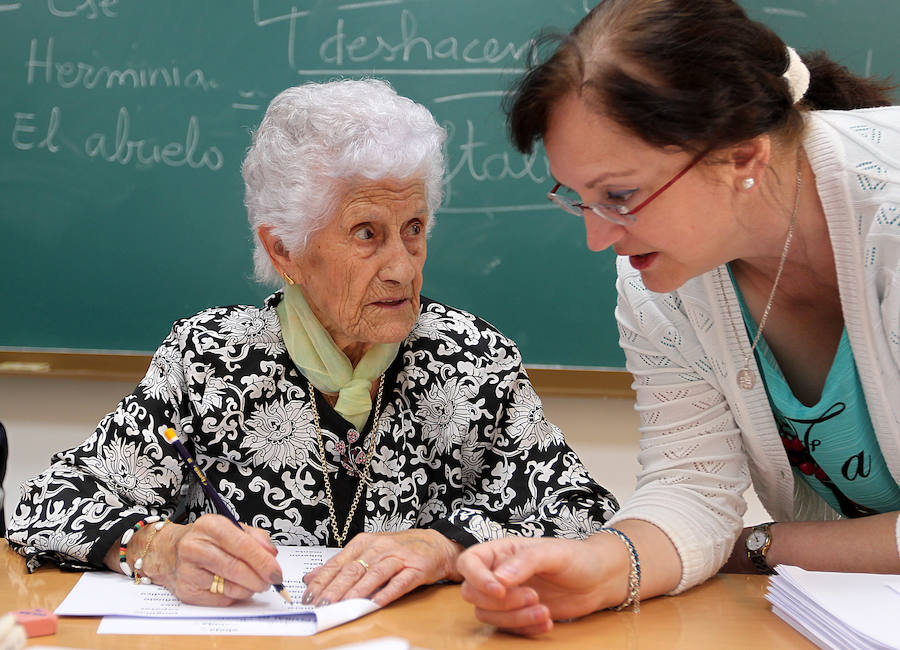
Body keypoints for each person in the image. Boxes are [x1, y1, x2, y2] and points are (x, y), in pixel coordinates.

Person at [7, 79, 618, 608]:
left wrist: (445, 546)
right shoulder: (212, 360)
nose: (402, 269)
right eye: (366, 234)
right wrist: (156, 546)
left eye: (413, 230)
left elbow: (581, 511)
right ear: (284, 249)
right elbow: (48, 505)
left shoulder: (469, 359)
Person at [457, 0, 900, 635]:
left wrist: (758, 547)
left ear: (742, 157)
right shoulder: (662, 278)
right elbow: (690, 485)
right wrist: (598, 567)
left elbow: (728, 540)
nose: (597, 238)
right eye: (578, 200)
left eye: (620, 196)